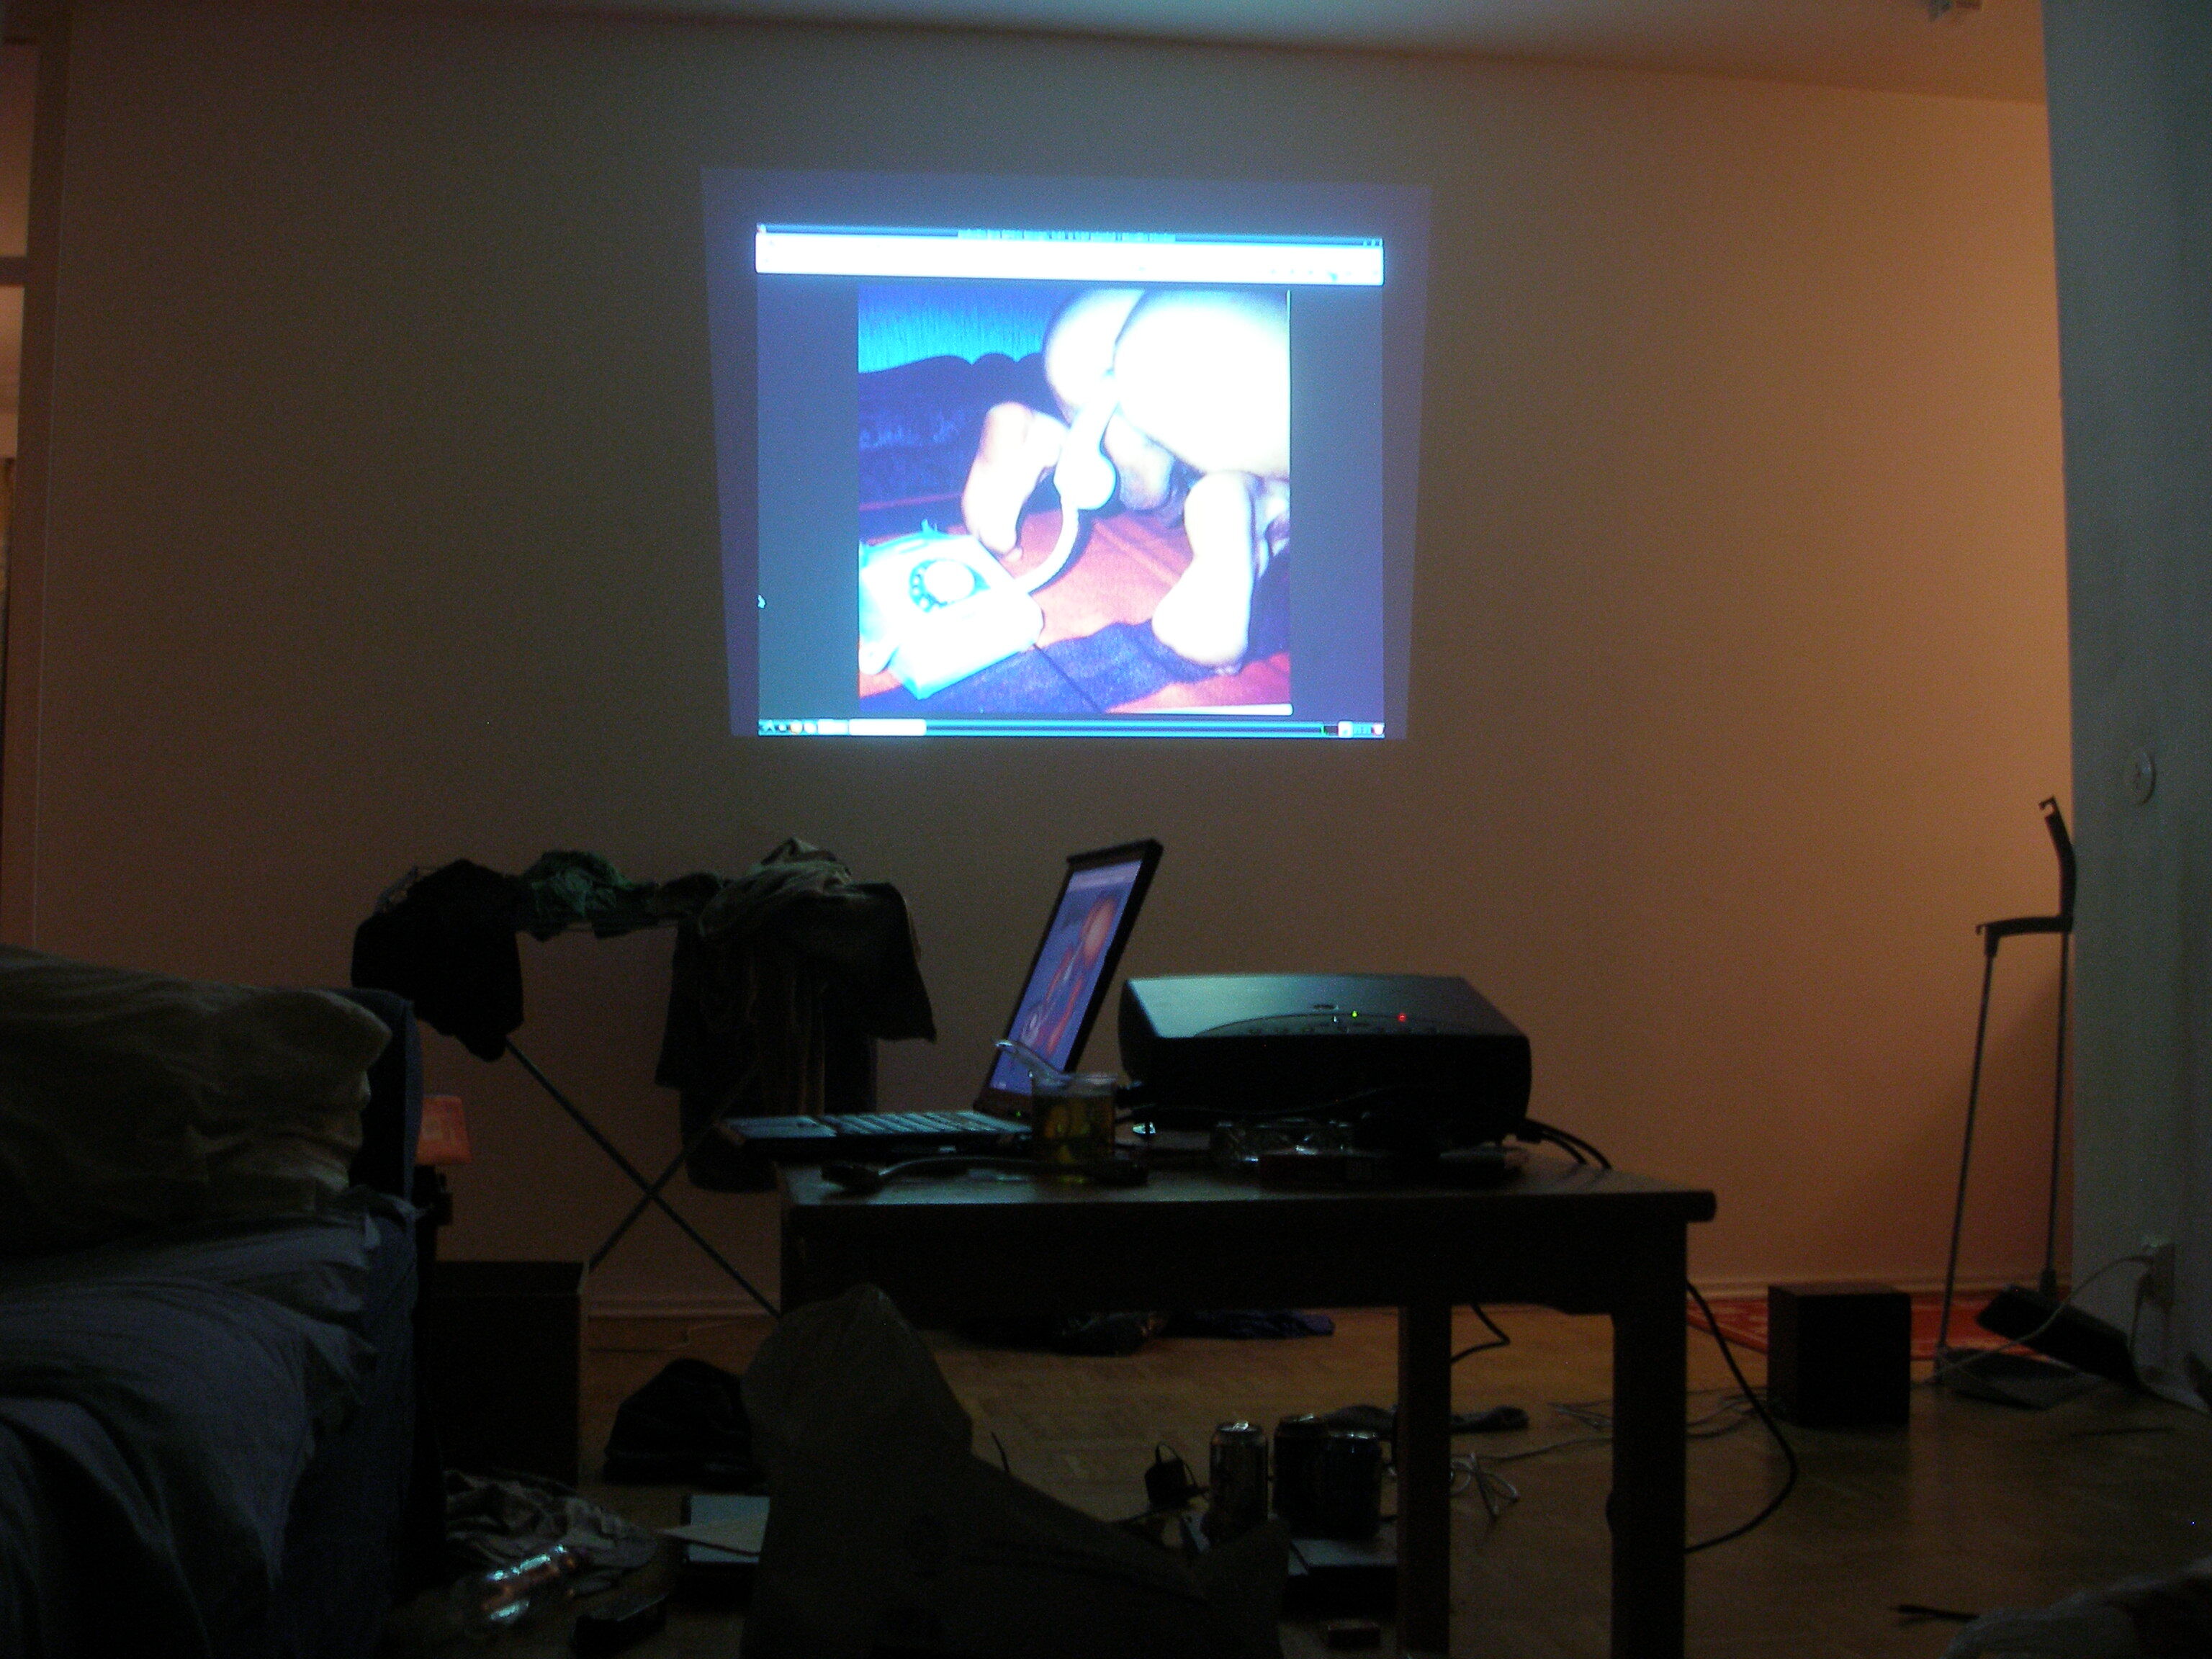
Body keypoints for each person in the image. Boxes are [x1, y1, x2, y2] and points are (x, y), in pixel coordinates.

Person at [959, 287, 1290, 670]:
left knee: (1150, 475)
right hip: (1231, 334)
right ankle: (1260, 500)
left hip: (1095, 318)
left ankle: (1059, 443)